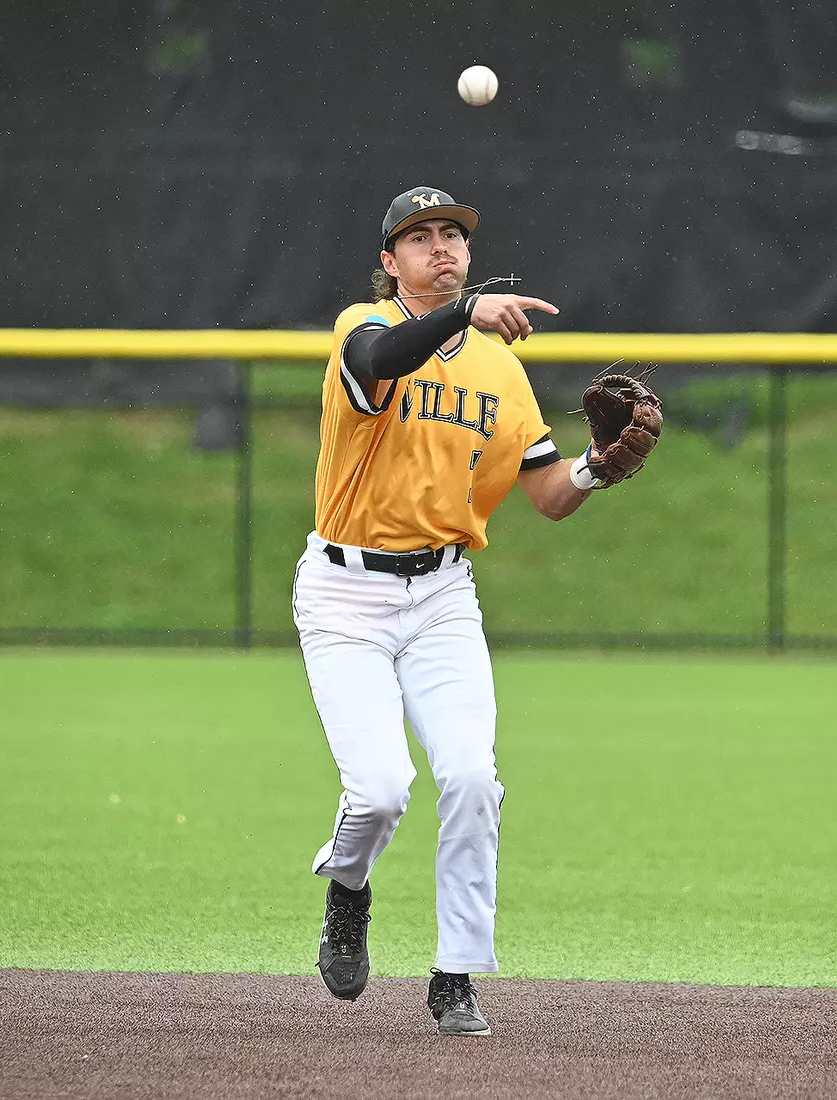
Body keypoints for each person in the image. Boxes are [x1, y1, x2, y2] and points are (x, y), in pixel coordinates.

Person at [297, 186, 608, 1036]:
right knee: (382, 792)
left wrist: (598, 467)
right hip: (345, 593)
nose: (441, 247)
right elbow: (384, 359)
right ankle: (349, 891)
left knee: (473, 777)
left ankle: (456, 973)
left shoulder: (500, 370)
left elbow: (545, 492)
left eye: (453, 236)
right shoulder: (360, 328)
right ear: (390, 262)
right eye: (420, 238)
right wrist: (467, 312)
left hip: (441, 595)